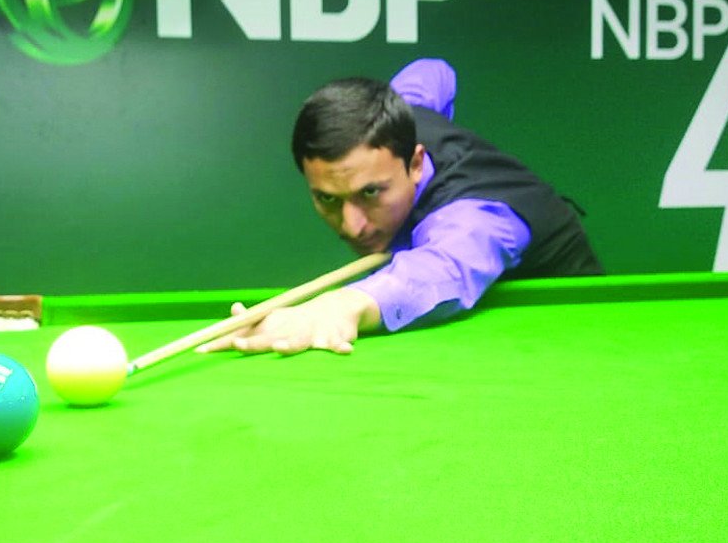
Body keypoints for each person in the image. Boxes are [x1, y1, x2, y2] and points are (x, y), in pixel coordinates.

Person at [201, 58, 602, 356]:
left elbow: (442, 268)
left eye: (371, 193)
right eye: (327, 199)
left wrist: (343, 304)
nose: (353, 226)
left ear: (413, 162)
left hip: (568, 323)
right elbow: (434, 71)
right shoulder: (404, 110)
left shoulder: (474, 219)